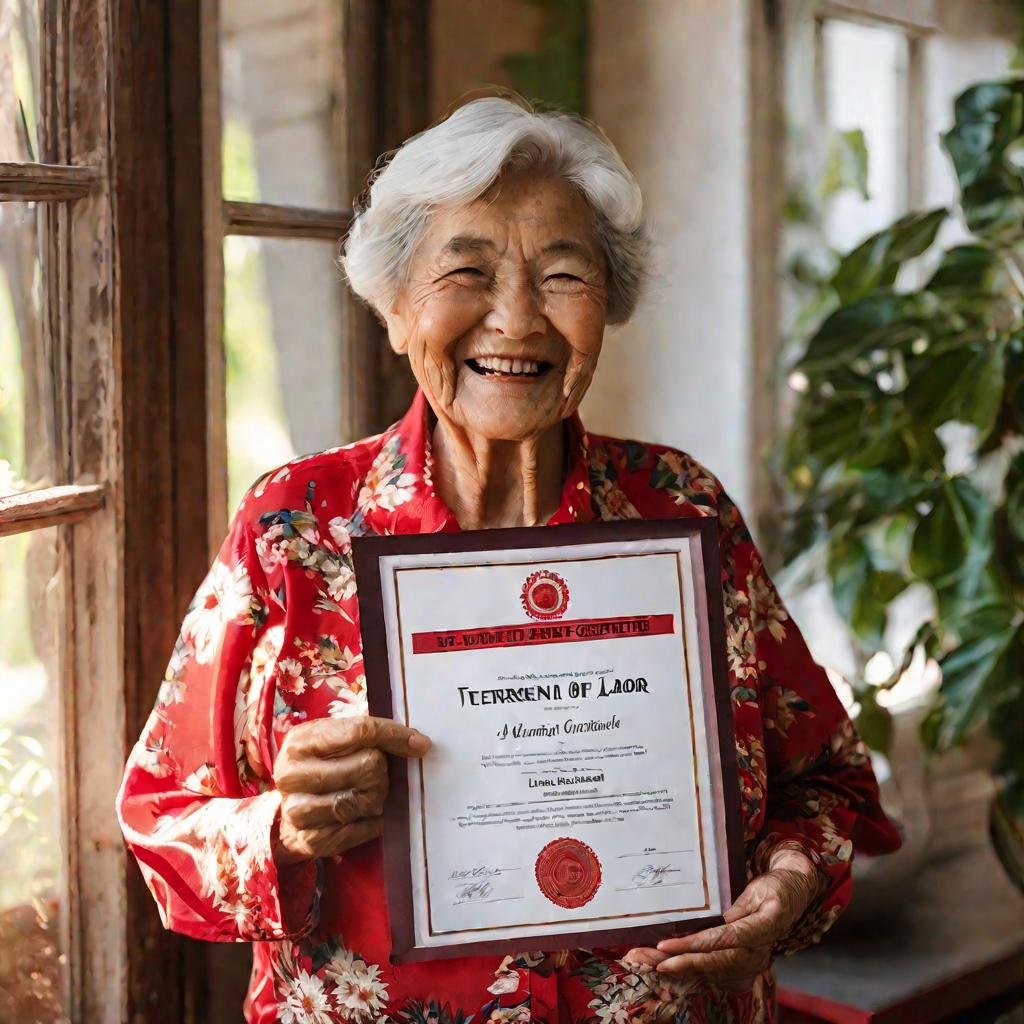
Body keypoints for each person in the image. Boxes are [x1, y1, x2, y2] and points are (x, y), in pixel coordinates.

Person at [117, 93, 900, 1024]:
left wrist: (789, 886)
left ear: (608, 305)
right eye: (467, 270)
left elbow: (830, 784)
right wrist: (281, 827)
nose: (517, 318)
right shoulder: (295, 525)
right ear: (398, 307)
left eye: (564, 274)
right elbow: (163, 816)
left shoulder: (681, 510)